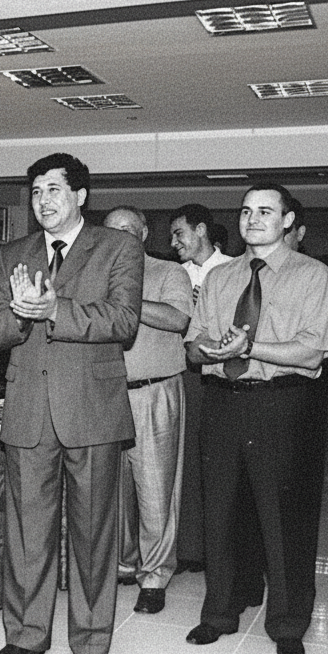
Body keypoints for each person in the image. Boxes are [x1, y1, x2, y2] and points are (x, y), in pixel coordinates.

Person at [0, 152, 143, 654]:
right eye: (35, 192)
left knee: (94, 531)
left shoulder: (117, 247)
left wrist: (53, 309)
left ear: (80, 196)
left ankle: (91, 641)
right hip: (28, 407)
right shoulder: (13, 253)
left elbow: (123, 322)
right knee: (27, 531)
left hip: (91, 410)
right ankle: (25, 634)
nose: (43, 201)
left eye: (54, 190)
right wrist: (20, 316)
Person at [184, 182, 328, 654]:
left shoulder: (314, 277)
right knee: (221, 511)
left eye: (266, 211)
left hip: (284, 404)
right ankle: (220, 611)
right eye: (247, 211)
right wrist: (207, 351)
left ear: (289, 220)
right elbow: (193, 344)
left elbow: (313, 350)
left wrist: (248, 348)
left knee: (286, 516)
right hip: (223, 402)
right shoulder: (219, 278)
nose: (253, 219)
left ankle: (289, 622)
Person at [104, 205, 191, 614]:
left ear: (142, 233)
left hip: (153, 392)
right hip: (104, 393)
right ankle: (123, 563)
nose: (119, 235)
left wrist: (126, 299)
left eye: (127, 228)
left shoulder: (167, 272)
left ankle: (155, 575)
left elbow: (177, 319)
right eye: (111, 229)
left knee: (155, 489)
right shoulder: (95, 274)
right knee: (111, 487)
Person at [169, 203, 228, 573]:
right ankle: (188, 548)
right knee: (186, 460)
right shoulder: (176, 275)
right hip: (185, 373)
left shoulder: (232, 270)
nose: (174, 242)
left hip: (221, 374)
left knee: (218, 463)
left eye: (180, 234)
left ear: (201, 230)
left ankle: (217, 549)